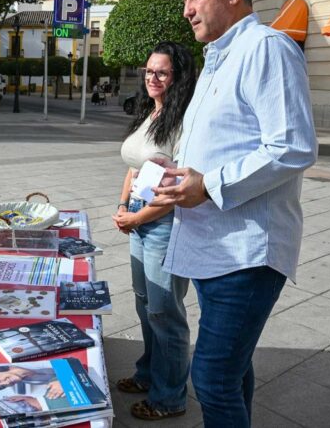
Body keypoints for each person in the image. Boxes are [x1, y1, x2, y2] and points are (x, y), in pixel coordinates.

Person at [151, 0, 317, 427]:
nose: (186, 9)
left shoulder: (267, 48)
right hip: (214, 245)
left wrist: (209, 184)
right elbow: (227, 142)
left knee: (211, 377)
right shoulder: (217, 59)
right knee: (232, 368)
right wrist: (181, 170)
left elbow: (292, 146)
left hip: (246, 251)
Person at [111, 42, 196, 421]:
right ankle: (148, 374)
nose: (152, 78)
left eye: (161, 72)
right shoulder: (151, 114)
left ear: (177, 77)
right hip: (138, 217)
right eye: (149, 71)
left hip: (162, 223)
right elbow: (133, 168)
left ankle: (170, 397)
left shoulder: (184, 123)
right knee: (146, 306)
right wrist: (122, 206)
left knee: (166, 312)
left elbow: (178, 191)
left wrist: (138, 217)